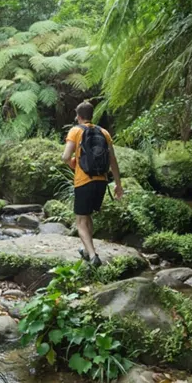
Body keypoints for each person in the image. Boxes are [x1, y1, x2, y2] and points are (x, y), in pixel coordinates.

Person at [61, 101, 123, 267]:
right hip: (101, 181)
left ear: (78, 116)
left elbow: (65, 156)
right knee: (88, 216)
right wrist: (118, 184)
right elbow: (113, 160)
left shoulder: (75, 131)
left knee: (80, 221)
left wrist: (76, 165)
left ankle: (93, 256)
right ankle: (88, 250)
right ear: (92, 115)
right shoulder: (104, 132)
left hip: (84, 181)